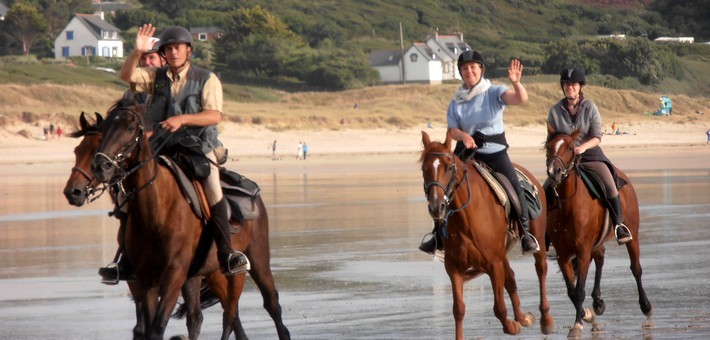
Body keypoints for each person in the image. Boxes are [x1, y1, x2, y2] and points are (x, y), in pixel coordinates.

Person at [104, 24, 249, 282]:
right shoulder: (156, 76)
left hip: (199, 146)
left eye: (177, 48)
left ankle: (227, 253)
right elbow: (126, 76)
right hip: (163, 146)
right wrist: (137, 52)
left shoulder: (207, 78)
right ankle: (124, 259)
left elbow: (214, 115)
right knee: (128, 191)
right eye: (168, 49)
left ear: (188, 51)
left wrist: (182, 119)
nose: (172, 53)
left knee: (213, 187)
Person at [418, 50, 540, 255]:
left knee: (514, 187)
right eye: (465, 68)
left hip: (494, 152)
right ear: (461, 73)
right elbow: (452, 130)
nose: (469, 71)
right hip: (466, 153)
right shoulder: (456, 101)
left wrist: (517, 83)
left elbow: (520, 99)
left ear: (481, 69)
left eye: (473, 67)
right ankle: (438, 233)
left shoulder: (494, 92)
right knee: (442, 188)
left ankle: (526, 234)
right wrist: (464, 136)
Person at [547, 67, 632, 245]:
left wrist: (582, 148)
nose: (570, 87)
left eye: (573, 84)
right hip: (565, 160)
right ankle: (545, 232)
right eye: (566, 84)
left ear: (580, 87)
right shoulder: (555, 111)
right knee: (545, 188)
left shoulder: (590, 107)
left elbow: (597, 137)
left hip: (590, 156)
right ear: (563, 87)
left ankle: (619, 226)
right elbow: (552, 138)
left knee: (610, 184)